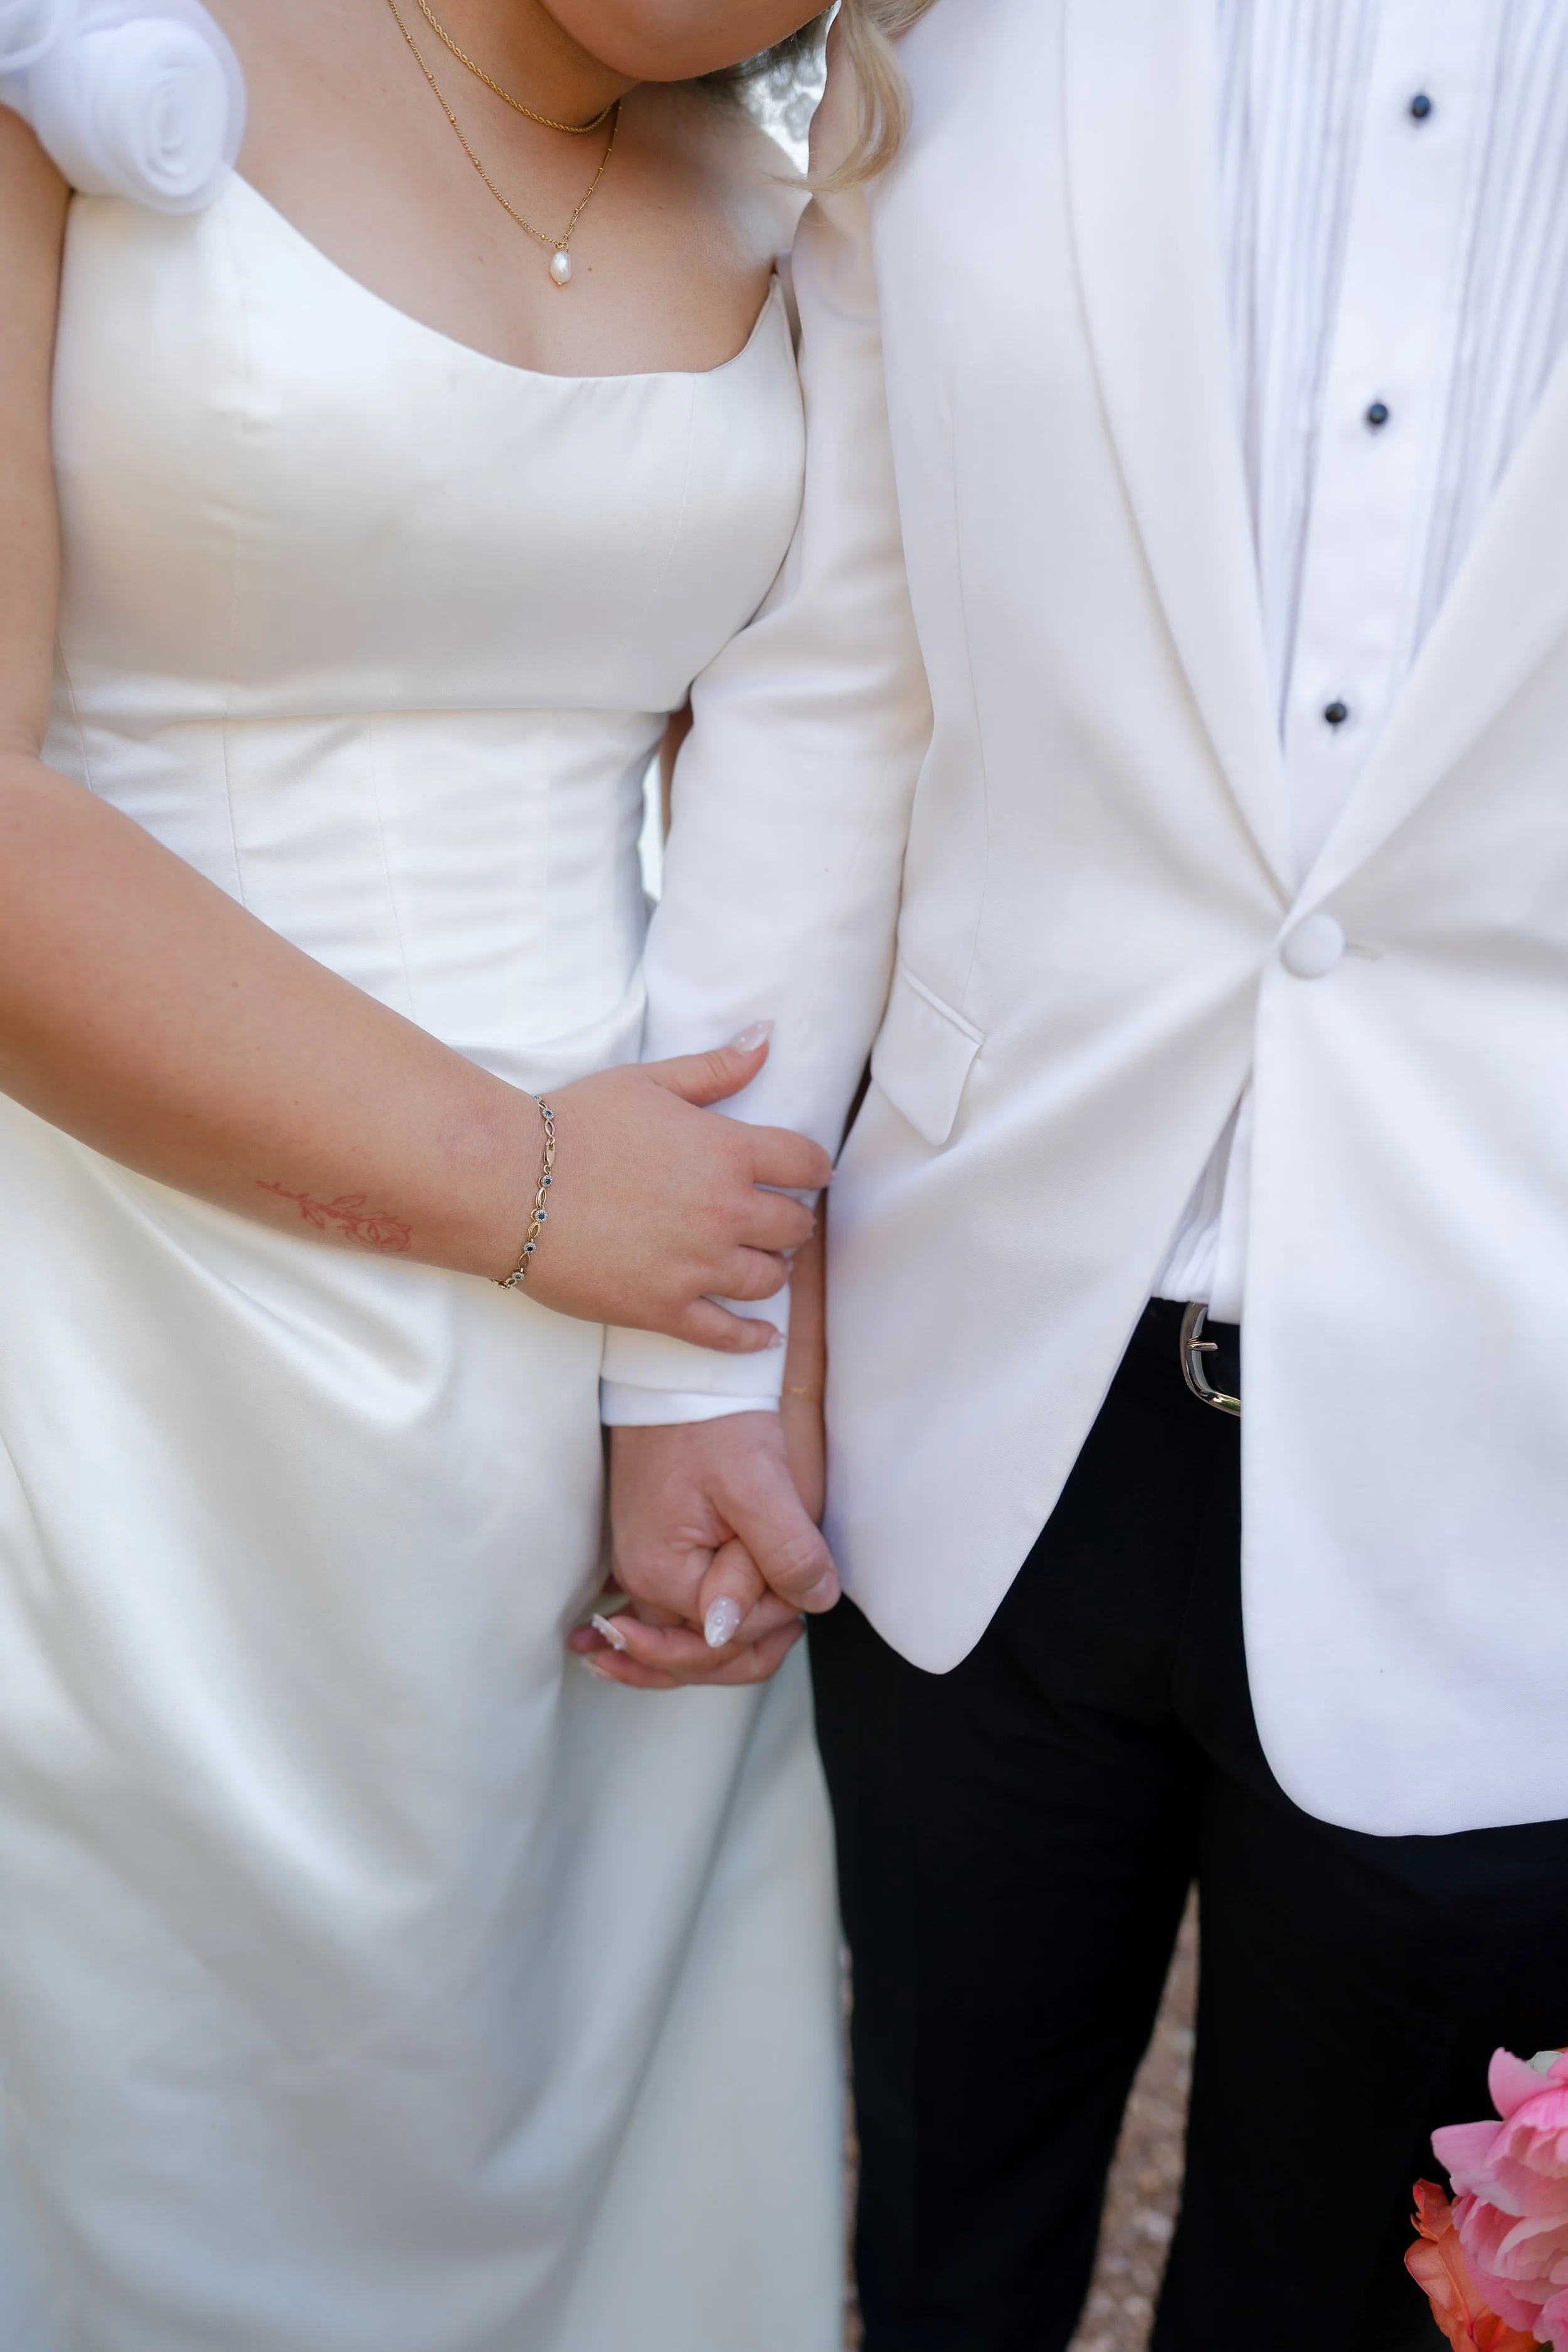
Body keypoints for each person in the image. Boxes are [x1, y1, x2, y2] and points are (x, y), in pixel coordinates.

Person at [598, 3, 1568, 2346]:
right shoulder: (944, 25)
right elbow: (833, 689)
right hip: (981, 1392)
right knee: (933, 2229)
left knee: (1364, 2301)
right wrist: (683, 1363)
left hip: (1512, 1447)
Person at [0, 3, 856, 2344]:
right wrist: (517, 1184)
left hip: (611, 1364)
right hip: (119, 1307)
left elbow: (808, 765)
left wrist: (731, 1343)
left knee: (609, 2164)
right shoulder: (84, 67)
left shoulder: (809, 184)